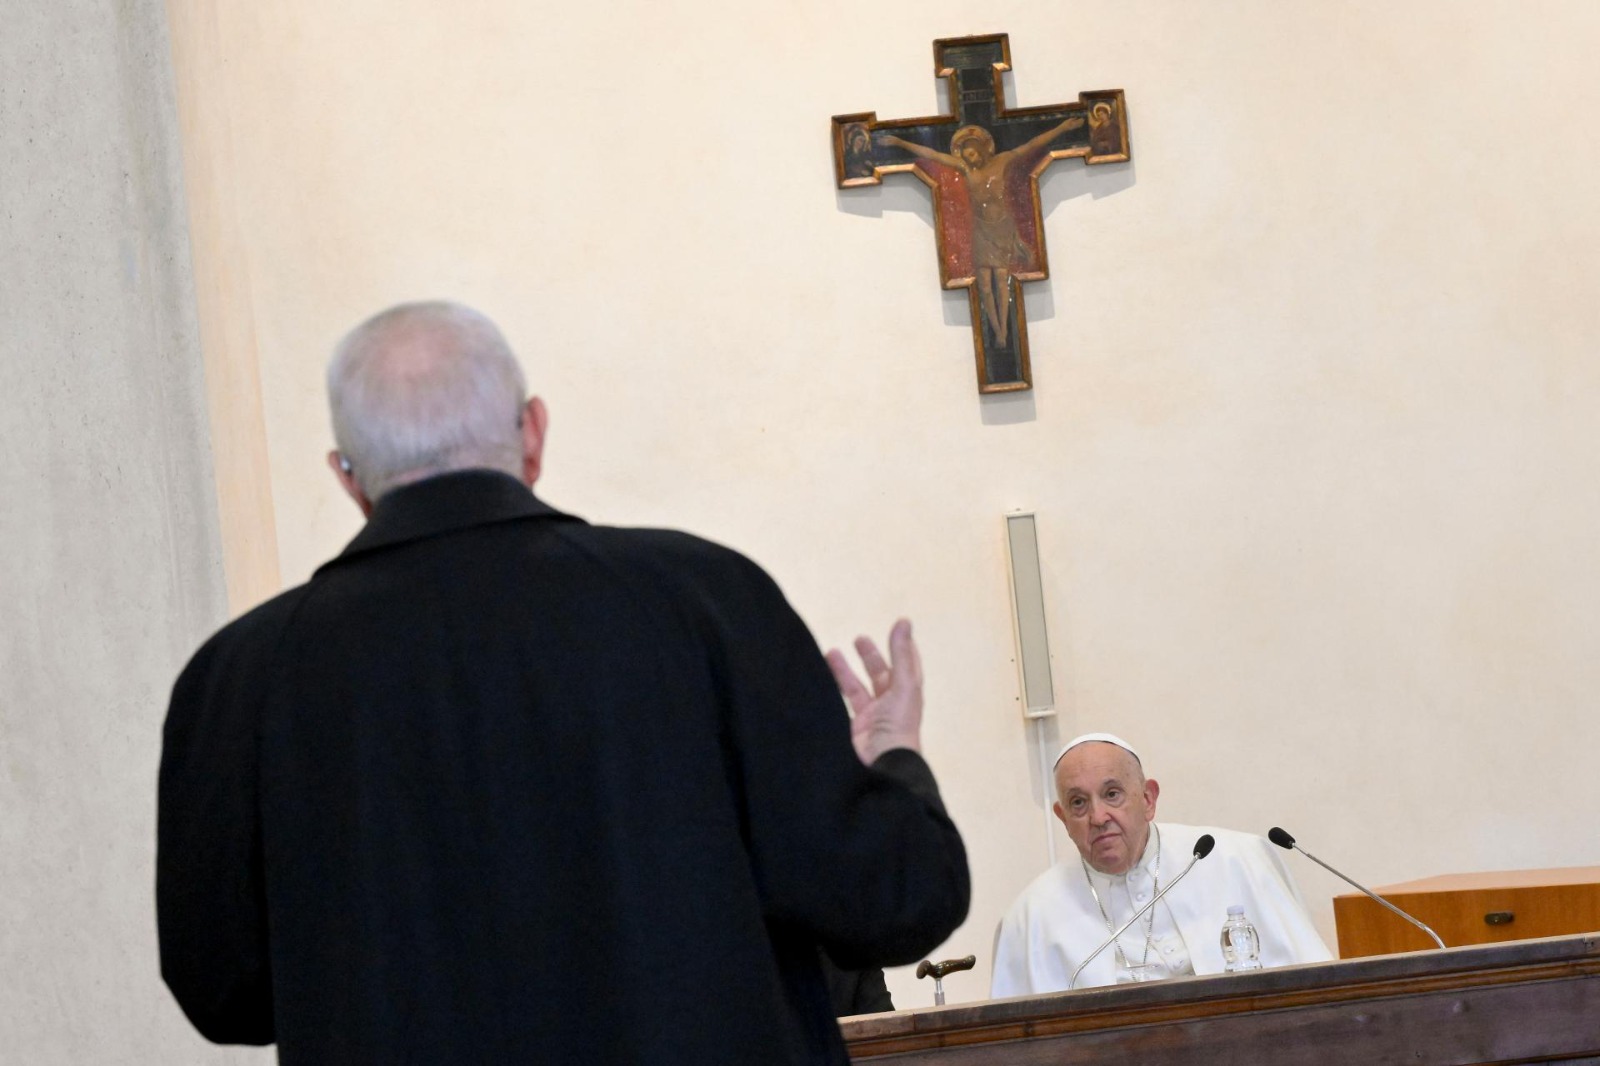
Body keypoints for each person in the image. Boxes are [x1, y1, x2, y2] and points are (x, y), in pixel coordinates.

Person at [156, 301, 969, 1064]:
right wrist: (892, 760)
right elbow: (891, 901)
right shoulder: (703, 601)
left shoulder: (240, 679)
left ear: (348, 477)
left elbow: (222, 992)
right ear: (533, 433)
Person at [991, 733, 1330, 995]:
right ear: (1063, 818)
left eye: (1112, 794)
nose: (1098, 817)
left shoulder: (1236, 860)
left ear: (1148, 799)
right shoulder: (1031, 917)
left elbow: (1317, 995)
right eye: (1078, 803)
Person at [881, 116, 1083, 347]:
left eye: (973, 154)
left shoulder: (1003, 161)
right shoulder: (965, 169)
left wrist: (1063, 127)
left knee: (1001, 279)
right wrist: (901, 143)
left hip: (1002, 228)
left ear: (981, 150)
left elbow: (1032, 145)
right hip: (982, 231)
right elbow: (933, 155)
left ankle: (1004, 328)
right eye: (966, 156)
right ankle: (996, 329)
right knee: (984, 285)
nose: (970, 158)